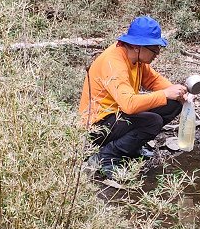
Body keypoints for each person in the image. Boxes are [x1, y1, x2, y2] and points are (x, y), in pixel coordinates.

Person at [79, 16, 188, 179]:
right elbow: (129, 105)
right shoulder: (114, 62)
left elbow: (152, 80)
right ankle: (106, 157)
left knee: (173, 104)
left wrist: (179, 93)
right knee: (153, 122)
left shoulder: (136, 59)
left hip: (117, 116)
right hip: (97, 126)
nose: (157, 53)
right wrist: (165, 94)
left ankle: (131, 147)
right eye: (154, 48)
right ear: (138, 46)